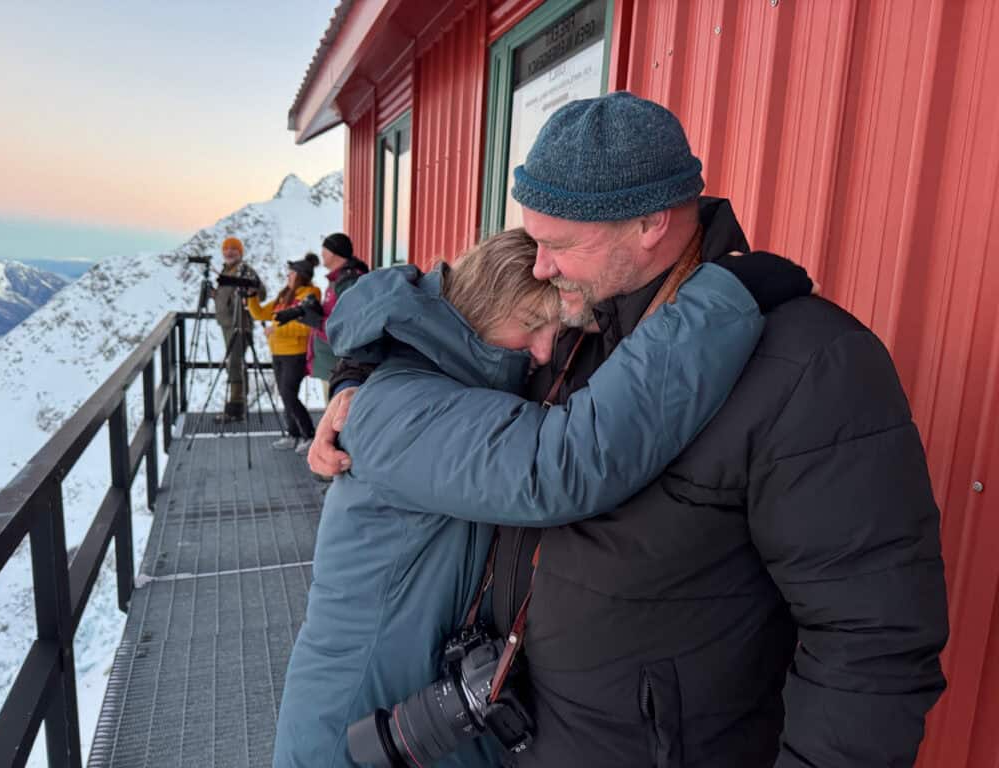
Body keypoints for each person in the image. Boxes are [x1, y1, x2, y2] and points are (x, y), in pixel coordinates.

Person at [312, 92, 949, 767]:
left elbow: (872, 642)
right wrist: (356, 371)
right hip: (523, 742)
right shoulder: (572, 327)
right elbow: (445, 319)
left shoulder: (812, 364)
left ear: (649, 223)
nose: (540, 267)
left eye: (557, 245)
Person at [273, 227, 813, 768]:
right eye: (532, 326)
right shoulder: (402, 410)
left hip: (421, 723)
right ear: (485, 306)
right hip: (354, 733)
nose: (541, 351)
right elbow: (559, 465)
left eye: (552, 330)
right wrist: (717, 303)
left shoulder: (430, 379)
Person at [247, 254, 320, 454]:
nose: (288, 276)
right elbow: (261, 314)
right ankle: (293, 434)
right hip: (278, 352)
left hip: (295, 353)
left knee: (288, 394)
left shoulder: (310, 295)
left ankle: (309, 435)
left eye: (291, 273)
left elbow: (306, 328)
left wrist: (276, 329)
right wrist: (251, 297)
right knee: (285, 395)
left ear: (300, 276)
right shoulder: (284, 295)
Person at [299, 233, 369, 401]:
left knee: (337, 418)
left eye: (325, 248)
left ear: (334, 252)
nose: (321, 252)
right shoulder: (338, 280)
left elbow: (351, 325)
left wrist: (317, 321)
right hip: (333, 363)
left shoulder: (349, 281)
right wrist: (317, 311)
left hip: (340, 365)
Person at [213, 236, 266, 422]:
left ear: (240, 252)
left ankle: (236, 408)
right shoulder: (226, 270)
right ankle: (237, 405)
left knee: (234, 363)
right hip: (227, 323)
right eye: (226, 249)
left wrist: (251, 293)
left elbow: (262, 292)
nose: (229, 252)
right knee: (234, 362)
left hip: (241, 324)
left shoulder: (245, 270)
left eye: (233, 249)